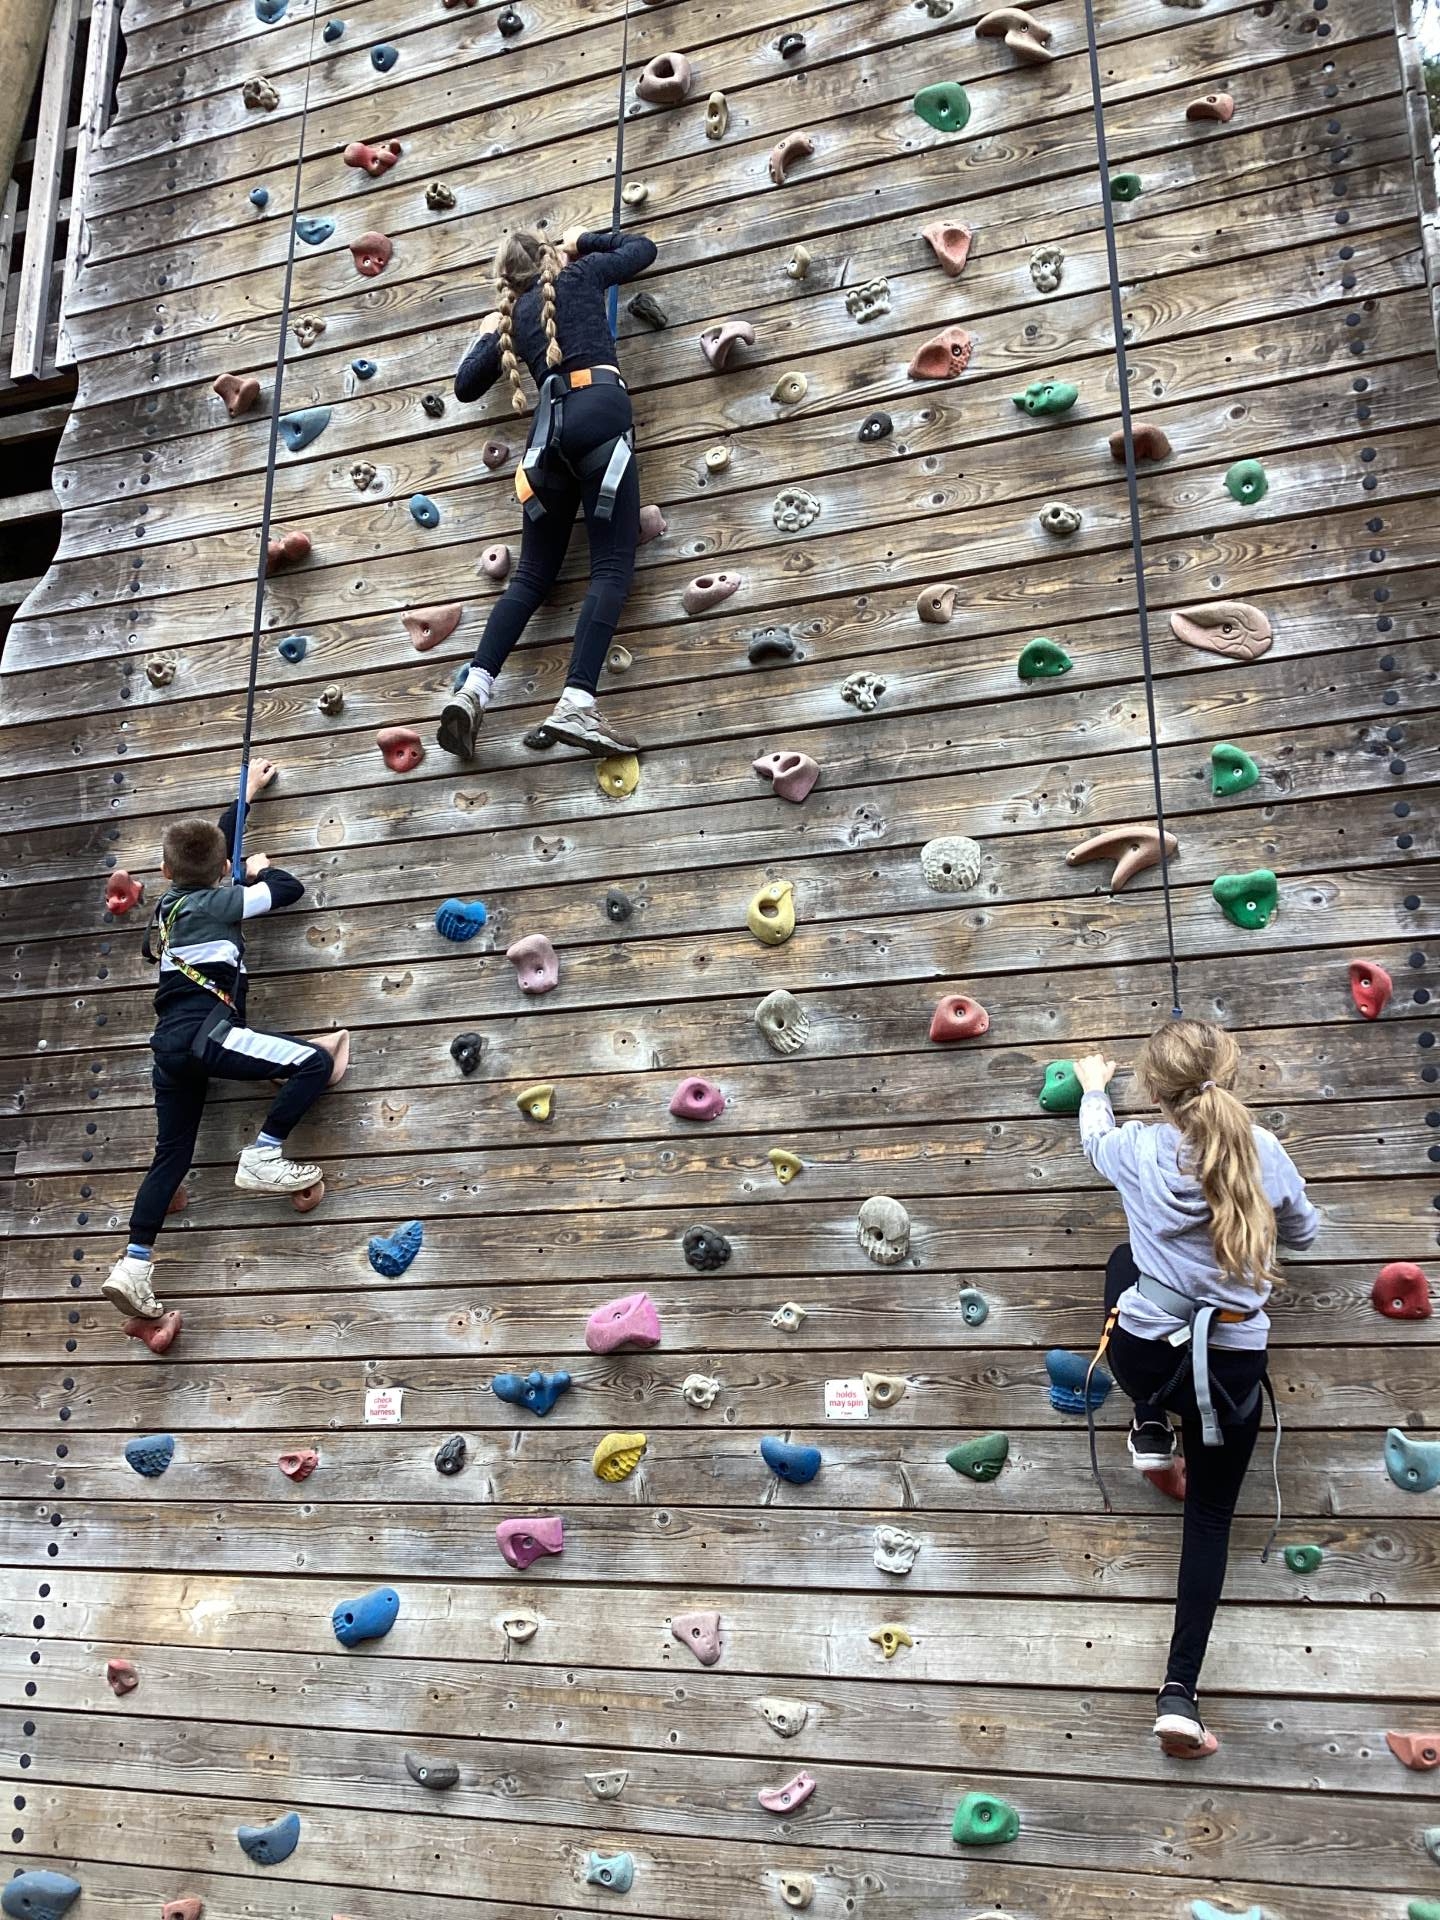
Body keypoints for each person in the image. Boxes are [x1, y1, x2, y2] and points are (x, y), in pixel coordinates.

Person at [1074, 1020, 1319, 1758]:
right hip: (1229, 1374)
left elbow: (1093, 1140)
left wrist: (1093, 1090)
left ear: (1154, 1092)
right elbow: (1304, 1234)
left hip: (1145, 1358)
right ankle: (1178, 1695)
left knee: (1125, 1263)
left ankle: (1150, 1423)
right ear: (1229, 1078)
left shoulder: (1135, 1148)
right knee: (1208, 1520)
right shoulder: (1262, 1151)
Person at [101, 761, 350, 1326]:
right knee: (312, 1062)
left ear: (164, 870)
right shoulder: (223, 901)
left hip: (169, 1049)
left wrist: (247, 795)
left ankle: (134, 1263)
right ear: (224, 872)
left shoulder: (166, 910)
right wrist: (262, 870)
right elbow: (287, 889)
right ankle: (263, 1154)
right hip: (211, 1036)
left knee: (171, 1154)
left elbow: (210, 852)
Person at [439, 223, 657, 762]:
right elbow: (643, 250)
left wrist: (489, 330)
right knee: (610, 566)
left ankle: (473, 691)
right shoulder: (581, 275)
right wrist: (585, 239)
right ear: (550, 257)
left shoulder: (512, 320)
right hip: (598, 414)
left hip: (545, 441)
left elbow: (466, 385)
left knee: (532, 577)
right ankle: (577, 702)